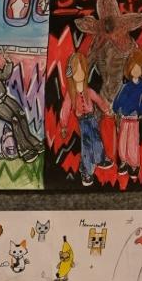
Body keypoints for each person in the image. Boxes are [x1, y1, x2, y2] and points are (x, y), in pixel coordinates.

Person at [59, 51, 113, 186]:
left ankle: (100, 159)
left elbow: (99, 100)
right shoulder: (71, 94)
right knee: (87, 145)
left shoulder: (88, 91)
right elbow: (65, 109)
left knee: (97, 139)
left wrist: (106, 110)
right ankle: (86, 171)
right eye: (76, 71)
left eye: (82, 70)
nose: (79, 74)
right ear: (71, 73)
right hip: (82, 122)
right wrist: (63, 125)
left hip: (92, 118)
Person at [112, 48, 142, 177]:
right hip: (123, 118)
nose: (136, 70)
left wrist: (141, 110)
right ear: (129, 69)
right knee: (122, 141)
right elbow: (118, 99)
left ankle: (134, 165)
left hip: (134, 118)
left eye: (138, 68)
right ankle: (123, 162)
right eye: (133, 68)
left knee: (132, 142)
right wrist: (115, 110)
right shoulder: (126, 86)